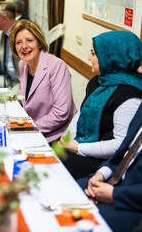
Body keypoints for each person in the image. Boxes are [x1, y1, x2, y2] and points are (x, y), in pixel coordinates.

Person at [60, 31, 142, 179]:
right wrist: (66, 138)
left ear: (112, 57)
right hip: (83, 146)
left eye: (94, 54)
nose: (89, 58)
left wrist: (78, 148)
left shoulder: (130, 94)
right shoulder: (99, 80)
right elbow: (81, 113)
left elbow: (120, 145)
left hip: (106, 162)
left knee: (56, 166)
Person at [77, 103, 142, 232]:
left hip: (133, 201)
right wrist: (101, 174)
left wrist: (114, 194)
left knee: (84, 216)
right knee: (75, 188)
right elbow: (127, 150)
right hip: (118, 178)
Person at [9, 19, 76, 142]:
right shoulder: (23, 65)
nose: (24, 46)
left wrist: (29, 128)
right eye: (18, 42)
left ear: (40, 43)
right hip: (34, 130)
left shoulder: (57, 66)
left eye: (29, 40)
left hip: (58, 136)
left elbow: (61, 113)